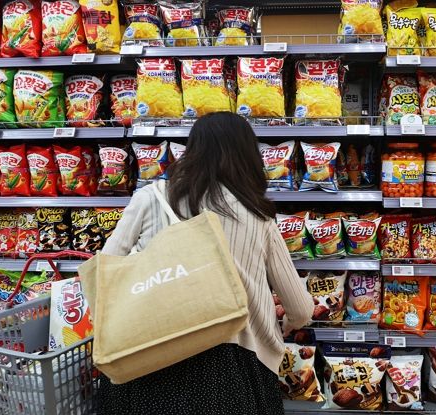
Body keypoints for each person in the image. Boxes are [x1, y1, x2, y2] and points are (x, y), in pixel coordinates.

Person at [97, 112, 315, 415]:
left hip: (148, 355)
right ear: (248, 157)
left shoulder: (149, 197)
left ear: (193, 150)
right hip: (234, 367)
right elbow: (301, 309)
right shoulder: (257, 213)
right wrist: (290, 321)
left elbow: (105, 274)